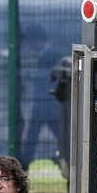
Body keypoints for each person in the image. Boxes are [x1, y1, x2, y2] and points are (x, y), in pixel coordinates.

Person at [19, 24, 61, 169]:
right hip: (46, 103)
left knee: (34, 135)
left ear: (37, 40)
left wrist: (30, 75)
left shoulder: (50, 54)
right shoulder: (47, 53)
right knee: (56, 134)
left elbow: (49, 76)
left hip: (46, 103)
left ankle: (24, 164)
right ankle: (24, 163)